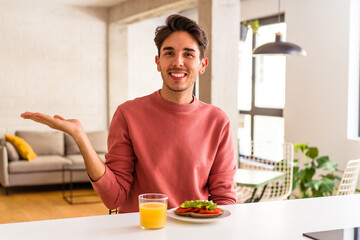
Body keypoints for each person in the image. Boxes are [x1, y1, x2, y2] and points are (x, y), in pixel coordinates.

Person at [21, 14, 236, 213]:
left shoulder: (218, 121)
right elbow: (114, 198)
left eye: (188, 54)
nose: (178, 61)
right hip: (140, 230)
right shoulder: (128, 114)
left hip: (194, 231)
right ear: (158, 62)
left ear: (202, 65)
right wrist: (80, 136)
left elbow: (224, 200)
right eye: (169, 53)